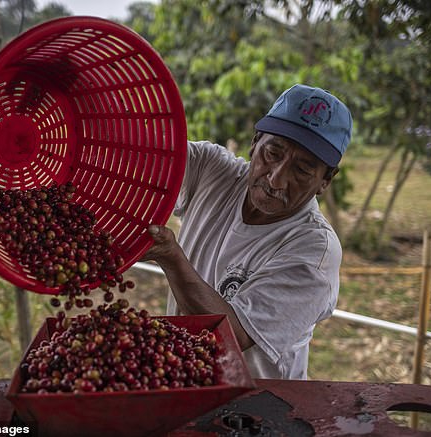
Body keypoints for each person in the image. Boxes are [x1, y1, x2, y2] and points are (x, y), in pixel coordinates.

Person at [142, 84, 353, 380]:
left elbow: (229, 335)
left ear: (325, 181)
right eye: (272, 153)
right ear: (255, 143)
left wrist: (171, 258)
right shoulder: (211, 170)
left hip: (257, 406)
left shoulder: (314, 251)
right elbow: (140, 157)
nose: (277, 179)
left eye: (302, 170)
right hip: (184, 379)